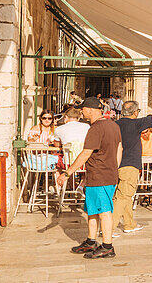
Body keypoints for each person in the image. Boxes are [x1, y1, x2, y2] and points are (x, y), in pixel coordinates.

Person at [57, 98, 121, 259]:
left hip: (100, 175)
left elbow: (85, 153)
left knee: (104, 211)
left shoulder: (96, 128)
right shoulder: (113, 125)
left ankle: (107, 246)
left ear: (90, 110)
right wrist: (115, 168)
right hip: (104, 174)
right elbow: (120, 148)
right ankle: (91, 241)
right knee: (92, 210)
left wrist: (67, 173)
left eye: (83, 109)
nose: (81, 112)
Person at [113, 100, 152, 235]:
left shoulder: (115, 124)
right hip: (130, 164)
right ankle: (109, 228)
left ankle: (129, 224)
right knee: (123, 197)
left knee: (124, 195)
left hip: (116, 164)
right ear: (135, 112)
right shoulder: (136, 123)